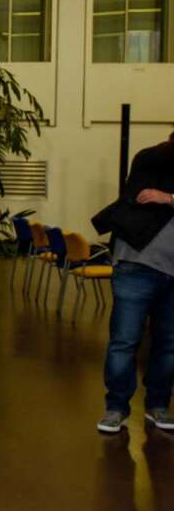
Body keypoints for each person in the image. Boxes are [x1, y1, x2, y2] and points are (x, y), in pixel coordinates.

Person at [92, 133, 174, 433]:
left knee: (168, 345)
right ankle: (116, 408)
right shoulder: (152, 158)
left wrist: (168, 198)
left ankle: (158, 405)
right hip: (137, 264)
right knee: (124, 342)